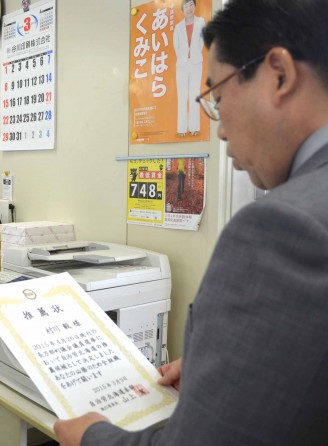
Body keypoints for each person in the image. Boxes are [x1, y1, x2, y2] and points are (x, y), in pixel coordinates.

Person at [55, 0, 328, 444]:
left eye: (217, 98)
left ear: (279, 72)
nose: (219, 130)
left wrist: (90, 436)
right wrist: (223, 367)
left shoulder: (282, 228)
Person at [173, 0, 205, 137]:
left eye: (191, 5)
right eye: (185, 6)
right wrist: (184, 57)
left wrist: (195, 54)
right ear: (182, 9)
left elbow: (202, 41)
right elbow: (177, 46)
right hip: (182, 65)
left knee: (194, 95)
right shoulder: (178, 27)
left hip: (196, 63)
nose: (189, 8)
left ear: (195, 6)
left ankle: (194, 128)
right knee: (182, 96)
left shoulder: (201, 22)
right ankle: (181, 129)